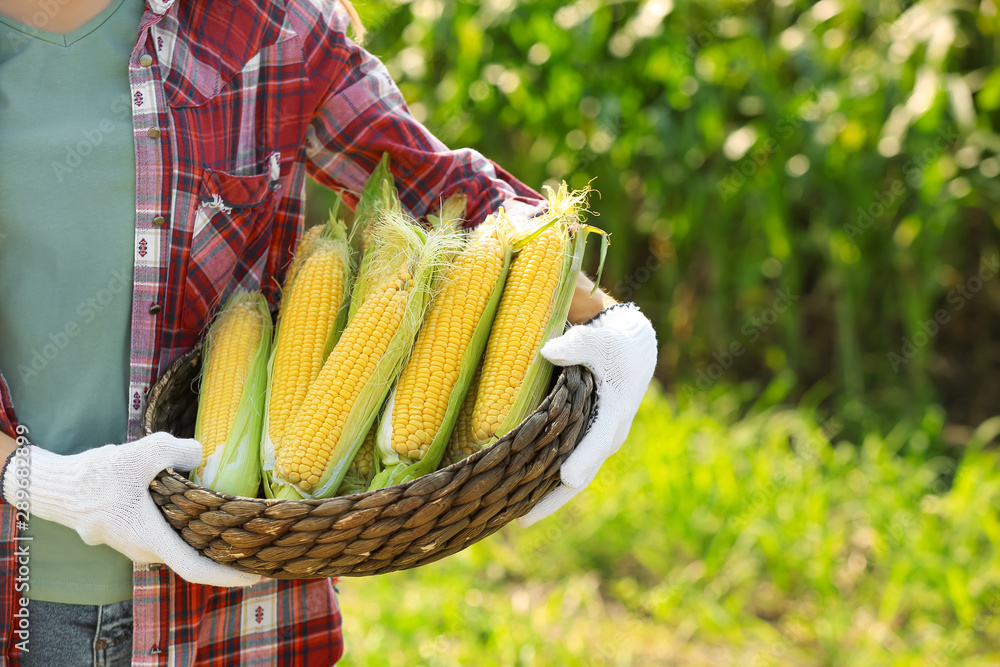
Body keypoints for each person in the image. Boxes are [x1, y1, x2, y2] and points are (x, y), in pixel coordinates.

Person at [0, 0, 657, 663]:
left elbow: (440, 190)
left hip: (230, 610)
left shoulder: (263, 23)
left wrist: (610, 322)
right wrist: (45, 483)